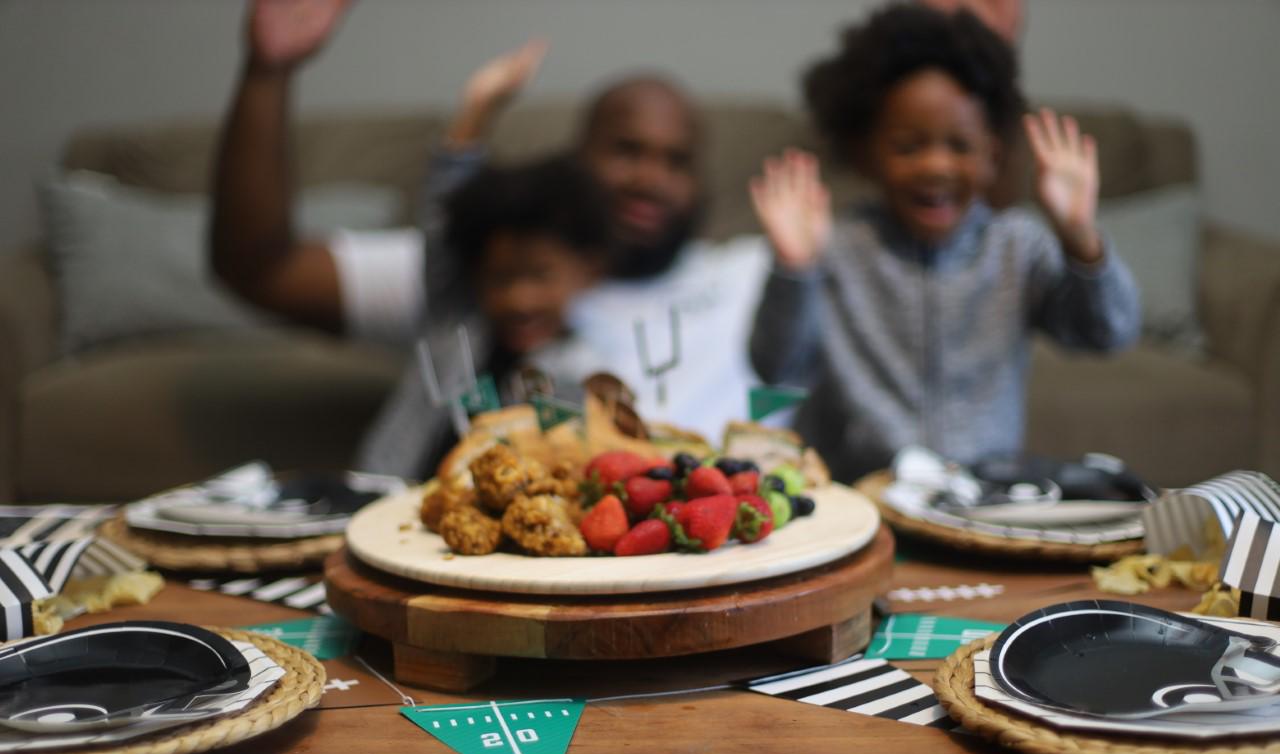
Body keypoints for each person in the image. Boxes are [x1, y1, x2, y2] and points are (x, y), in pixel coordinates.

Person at [210, 0, 768, 478]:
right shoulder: (471, 283)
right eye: (627, 150)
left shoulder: (754, 273)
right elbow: (263, 268)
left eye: (677, 161)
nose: (650, 179)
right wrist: (268, 73)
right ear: (575, 159)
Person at [748, 4, 1140, 483]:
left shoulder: (1017, 246)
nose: (936, 166)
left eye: (959, 145)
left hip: (981, 496)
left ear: (993, 156)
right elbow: (776, 367)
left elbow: (1108, 333)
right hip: (862, 495)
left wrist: (1080, 237)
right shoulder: (838, 249)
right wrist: (795, 269)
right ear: (866, 152)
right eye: (908, 146)